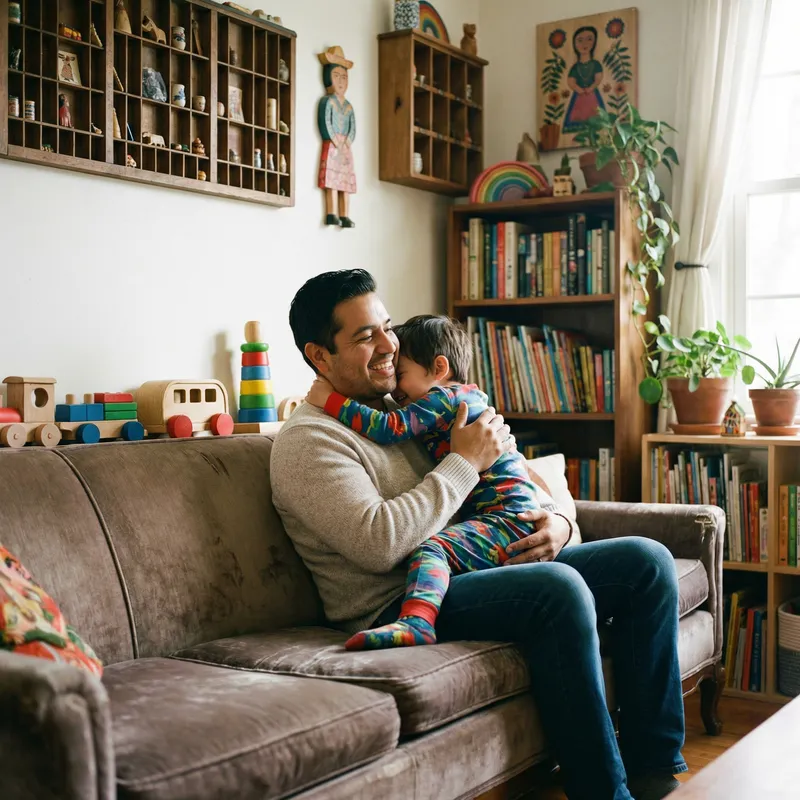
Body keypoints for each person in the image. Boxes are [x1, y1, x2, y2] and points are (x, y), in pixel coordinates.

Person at [271, 269, 686, 800]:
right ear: (319, 356)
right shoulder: (309, 441)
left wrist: (558, 525)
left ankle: (655, 772)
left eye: (387, 327)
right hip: (399, 598)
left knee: (646, 563)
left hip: (475, 561)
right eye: (364, 336)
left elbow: (522, 481)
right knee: (556, 590)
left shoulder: (410, 405)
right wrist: (465, 461)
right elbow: (378, 544)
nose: (388, 346)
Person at [304, 313, 553, 651]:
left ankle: (418, 621)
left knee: (432, 548)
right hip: (509, 519)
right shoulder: (468, 397)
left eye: (401, 372)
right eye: (367, 336)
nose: (396, 384)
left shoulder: (443, 399)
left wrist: (329, 400)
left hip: (506, 521)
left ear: (438, 369)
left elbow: (387, 427)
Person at [317, 46, 356, 228]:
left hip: (345, 147)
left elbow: (352, 127)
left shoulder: (348, 106)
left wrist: (347, 142)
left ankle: (345, 215)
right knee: (332, 181)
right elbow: (326, 122)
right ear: (328, 78)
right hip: (333, 145)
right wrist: (334, 139)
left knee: (345, 183)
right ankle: (331, 213)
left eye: (344, 77)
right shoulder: (328, 102)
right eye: (337, 76)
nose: (341, 81)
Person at [562, 25, 605, 134]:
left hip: (592, 95)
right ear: (574, 44)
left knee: (595, 115)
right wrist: (578, 89)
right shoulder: (575, 67)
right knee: (578, 116)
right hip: (579, 96)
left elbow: (598, 78)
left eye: (589, 39)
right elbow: (570, 81)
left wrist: (591, 88)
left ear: (594, 42)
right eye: (580, 40)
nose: (584, 44)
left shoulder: (595, 64)